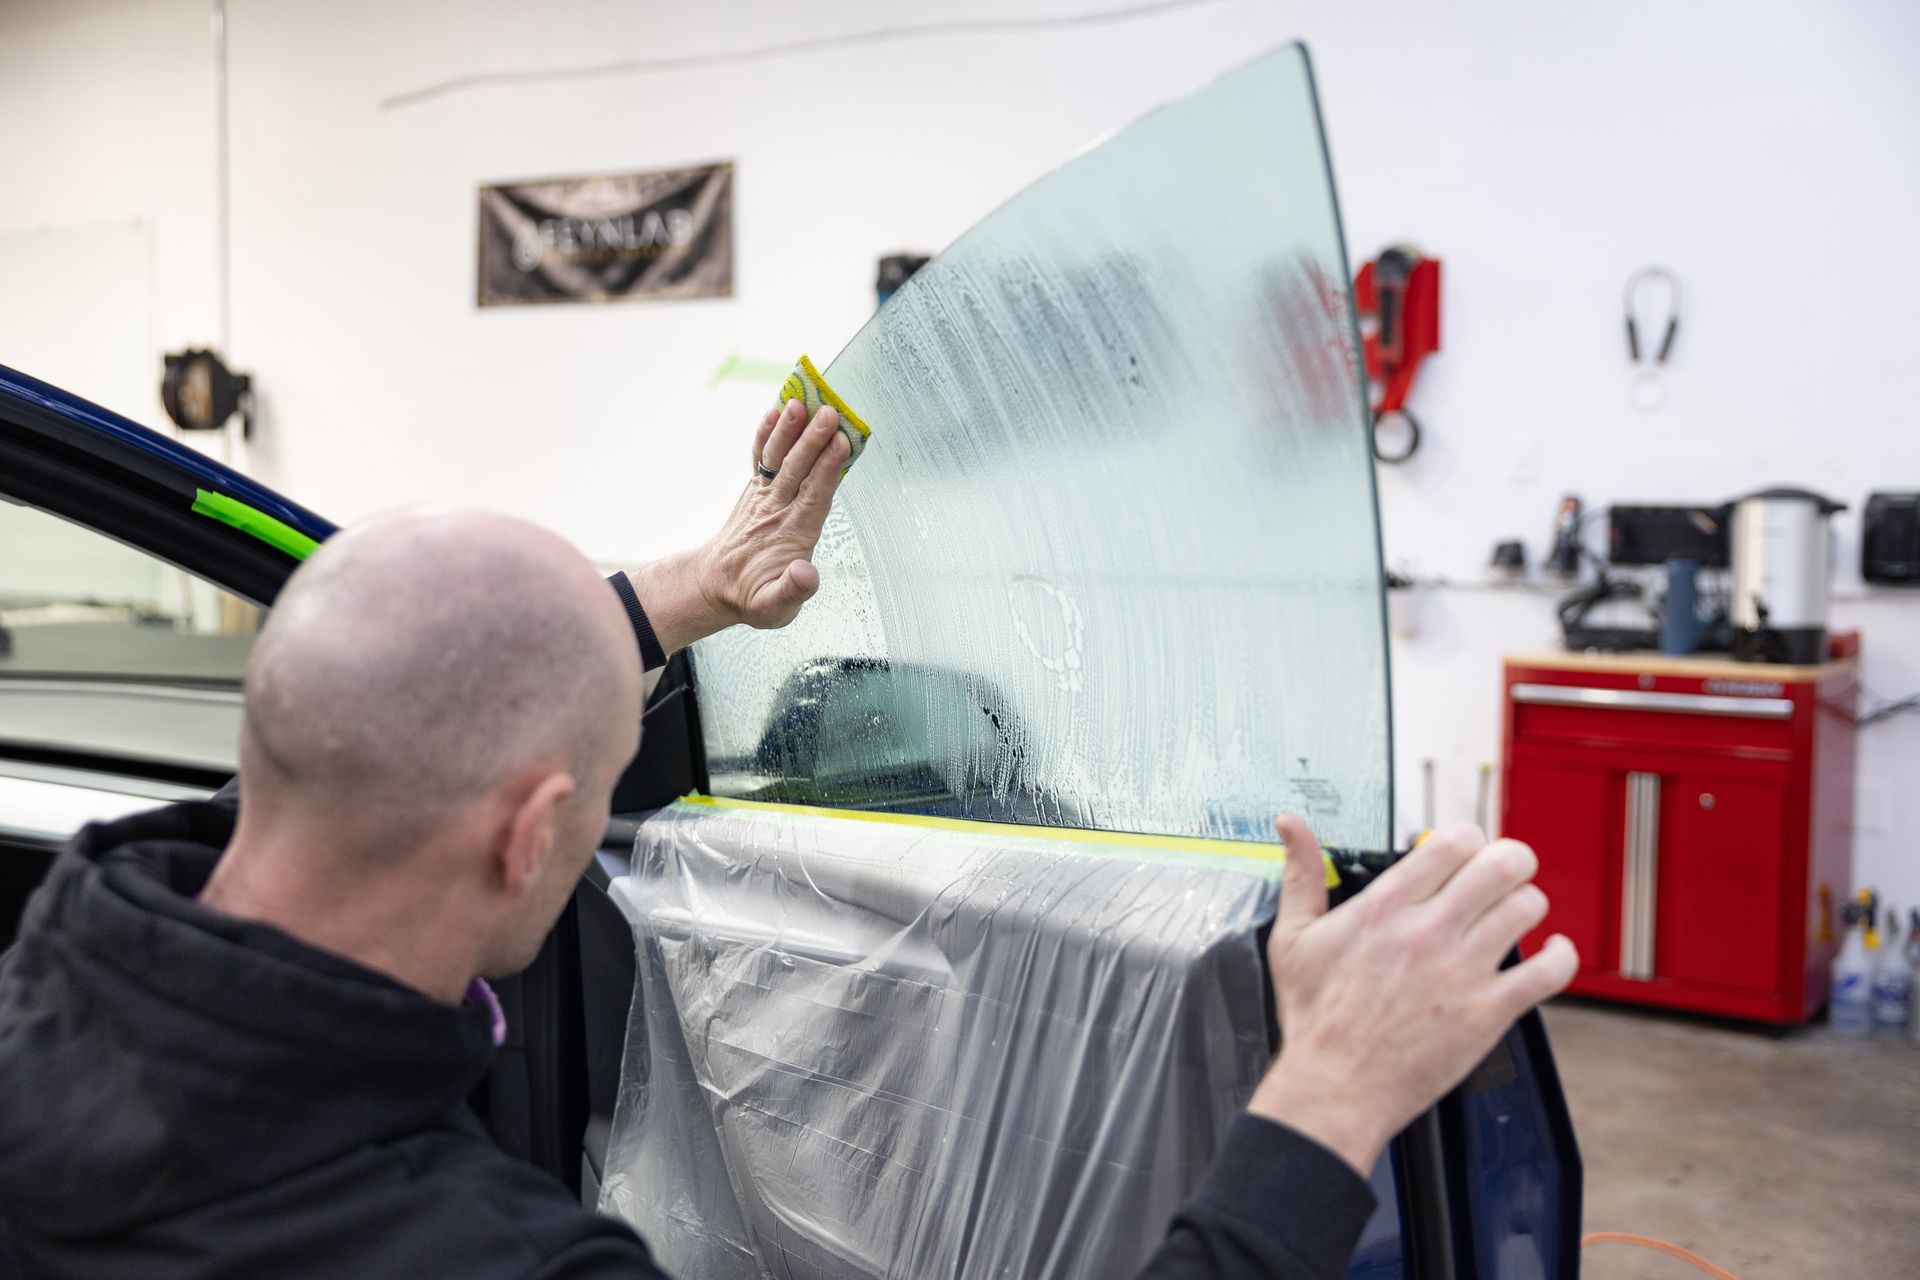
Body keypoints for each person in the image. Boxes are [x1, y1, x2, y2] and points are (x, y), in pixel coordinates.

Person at [0, 399, 1577, 1279]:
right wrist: (1321, 1102)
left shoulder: (63, 956)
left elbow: (398, 723)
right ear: (537, 830)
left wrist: (683, 592)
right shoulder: (479, 1256)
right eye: (610, 774)